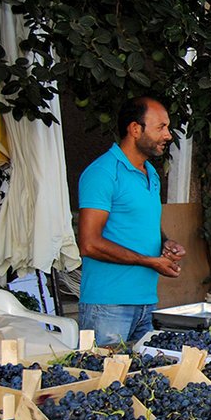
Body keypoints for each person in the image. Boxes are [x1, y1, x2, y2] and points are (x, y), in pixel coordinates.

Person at [77, 97, 185, 345]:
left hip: (146, 302)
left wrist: (165, 244)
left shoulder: (152, 173)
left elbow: (141, 224)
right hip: (107, 306)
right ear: (135, 129)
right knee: (104, 381)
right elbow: (89, 244)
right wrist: (148, 261)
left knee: (142, 381)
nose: (168, 135)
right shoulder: (103, 173)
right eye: (161, 127)